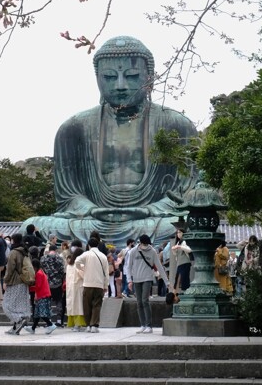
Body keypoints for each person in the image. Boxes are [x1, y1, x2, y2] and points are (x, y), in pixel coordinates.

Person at [23, 36, 198, 247]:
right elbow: (69, 196)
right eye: (109, 77)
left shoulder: (176, 125)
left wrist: (150, 210)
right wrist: (91, 209)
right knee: (32, 225)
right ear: (97, 78)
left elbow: (186, 194)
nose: (120, 85)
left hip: (152, 219)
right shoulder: (73, 128)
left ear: (149, 78)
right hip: (93, 219)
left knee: (190, 223)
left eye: (132, 76)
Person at [128, 234, 169, 333]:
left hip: (147, 278)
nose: (146, 246)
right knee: (139, 302)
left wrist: (167, 281)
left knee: (145, 300)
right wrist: (130, 280)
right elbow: (128, 266)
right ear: (140, 243)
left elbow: (159, 266)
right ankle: (142, 324)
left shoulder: (152, 251)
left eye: (147, 244)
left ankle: (149, 325)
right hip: (137, 279)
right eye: (144, 244)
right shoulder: (133, 251)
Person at [74, 237, 109, 332]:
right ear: (98, 245)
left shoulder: (86, 254)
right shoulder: (103, 256)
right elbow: (106, 273)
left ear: (89, 245)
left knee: (87, 305)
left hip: (87, 283)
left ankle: (88, 325)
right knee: (97, 305)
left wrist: (81, 268)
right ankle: (94, 325)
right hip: (99, 284)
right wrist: (106, 285)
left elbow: (77, 261)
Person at [2, 234, 32, 335]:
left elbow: (9, 269)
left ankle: (19, 320)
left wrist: (5, 281)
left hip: (14, 281)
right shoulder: (26, 251)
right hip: (24, 281)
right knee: (19, 305)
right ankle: (15, 327)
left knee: (7, 304)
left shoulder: (14, 252)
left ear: (13, 240)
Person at [24, 259, 56, 334]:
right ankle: (33, 328)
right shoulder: (41, 272)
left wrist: (31, 287)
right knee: (37, 313)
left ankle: (50, 325)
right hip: (43, 294)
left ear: (34, 267)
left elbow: (38, 286)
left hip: (42, 295)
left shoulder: (38, 274)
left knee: (41, 312)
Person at [40, 244, 66, 326]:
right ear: (56, 250)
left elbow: (42, 270)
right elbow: (62, 271)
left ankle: (49, 321)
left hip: (47, 283)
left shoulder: (43, 258)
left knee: (48, 302)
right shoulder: (60, 258)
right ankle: (58, 321)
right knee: (58, 302)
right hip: (58, 283)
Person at [65, 250, 87, 330]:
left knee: (72, 305)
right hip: (78, 287)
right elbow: (83, 275)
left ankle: (74, 324)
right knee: (79, 306)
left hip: (70, 288)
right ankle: (78, 325)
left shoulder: (69, 265)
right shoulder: (79, 265)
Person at [168, 223, 193, 295]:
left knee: (184, 278)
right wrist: (174, 249)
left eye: (179, 232)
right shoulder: (178, 242)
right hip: (179, 263)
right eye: (177, 233)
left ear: (183, 233)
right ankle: (176, 293)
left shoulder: (184, 241)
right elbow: (175, 254)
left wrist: (180, 247)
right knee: (178, 279)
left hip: (185, 262)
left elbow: (189, 250)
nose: (178, 234)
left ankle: (185, 292)